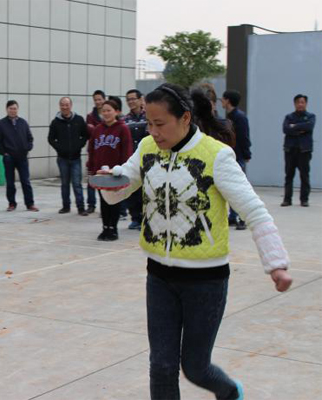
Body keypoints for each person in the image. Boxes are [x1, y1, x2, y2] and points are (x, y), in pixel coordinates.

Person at [95, 83, 293, 400]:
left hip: (206, 282)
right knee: (161, 365)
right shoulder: (147, 148)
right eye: (149, 123)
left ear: (185, 118)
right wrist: (109, 179)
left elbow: (254, 211)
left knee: (195, 367)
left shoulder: (217, 156)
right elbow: (124, 183)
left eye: (160, 124)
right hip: (159, 276)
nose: (153, 131)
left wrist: (276, 264)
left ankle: (229, 391)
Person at [87, 100, 133, 241]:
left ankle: (113, 229)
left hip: (115, 173)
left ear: (117, 112)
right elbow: (92, 150)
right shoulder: (97, 130)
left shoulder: (122, 129)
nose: (106, 113)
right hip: (101, 173)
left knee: (114, 202)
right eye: (104, 111)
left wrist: (124, 169)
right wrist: (92, 168)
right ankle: (105, 228)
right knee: (103, 202)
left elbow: (127, 151)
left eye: (109, 110)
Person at [0, 100, 39, 212]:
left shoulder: (23, 122)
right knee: (10, 182)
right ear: (7, 109)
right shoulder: (1, 124)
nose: (13, 110)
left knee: (25, 181)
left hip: (22, 157)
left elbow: (30, 138)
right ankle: (11, 203)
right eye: (11, 108)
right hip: (9, 157)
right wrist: (4, 153)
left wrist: (27, 148)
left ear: (17, 109)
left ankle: (30, 204)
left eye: (15, 108)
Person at [48, 97, 89, 215]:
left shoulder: (79, 120)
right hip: (62, 158)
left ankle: (81, 208)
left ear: (71, 105)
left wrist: (79, 146)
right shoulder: (55, 122)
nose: (64, 107)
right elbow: (51, 139)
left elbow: (85, 135)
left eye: (67, 105)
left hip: (76, 158)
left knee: (77, 184)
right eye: (62, 105)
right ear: (59, 106)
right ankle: (66, 206)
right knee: (65, 184)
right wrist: (59, 148)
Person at [221, 90, 251, 230]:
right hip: (231, 156)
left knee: (238, 189)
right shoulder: (231, 117)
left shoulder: (240, 117)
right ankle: (233, 217)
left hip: (238, 156)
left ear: (227, 101)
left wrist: (246, 154)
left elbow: (244, 137)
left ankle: (242, 218)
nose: (221, 101)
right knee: (231, 187)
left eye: (223, 99)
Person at [282, 94, 316, 207]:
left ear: (306, 103)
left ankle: (304, 199)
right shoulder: (289, 117)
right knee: (289, 175)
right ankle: (287, 199)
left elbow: (309, 127)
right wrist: (300, 129)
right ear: (295, 104)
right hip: (290, 150)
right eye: (298, 102)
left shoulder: (311, 116)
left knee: (304, 176)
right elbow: (285, 128)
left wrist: (294, 127)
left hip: (304, 150)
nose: (300, 104)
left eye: (302, 102)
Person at [123, 89, 148, 231]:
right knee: (132, 190)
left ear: (140, 100)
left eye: (133, 99)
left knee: (146, 191)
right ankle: (135, 218)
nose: (131, 102)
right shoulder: (125, 120)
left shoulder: (148, 117)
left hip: (147, 160)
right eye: (129, 100)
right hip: (132, 160)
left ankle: (145, 218)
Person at [85, 90, 106, 214]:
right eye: (96, 100)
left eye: (100, 99)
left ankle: (107, 205)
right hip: (94, 150)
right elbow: (89, 132)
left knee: (106, 179)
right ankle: (91, 204)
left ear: (104, 99)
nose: (98, 102)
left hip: (106, 150)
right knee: (91, 177)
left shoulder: (108, 113)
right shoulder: (90, 116)